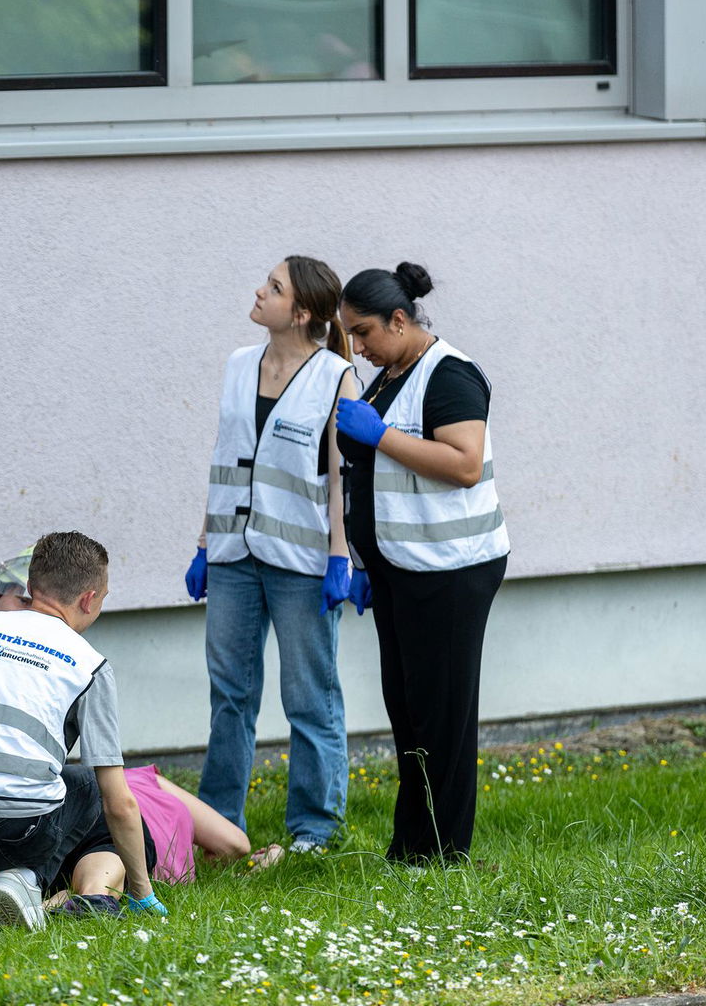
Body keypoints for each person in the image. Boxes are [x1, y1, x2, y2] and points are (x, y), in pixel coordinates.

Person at [0, 531, 167, 932]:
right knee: (86, 784)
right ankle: (24, 877)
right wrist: (142, 893)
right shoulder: (89, 665)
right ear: (89, 599)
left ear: (30, 584)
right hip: (15, 832)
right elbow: (118, 803)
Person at [333, 262, 509, 864]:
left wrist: (379, 435)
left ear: (399, 320)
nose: (357, 346)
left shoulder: (449, 374)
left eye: (363, 332)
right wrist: (362, 560)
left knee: (442, 714)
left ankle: (446, 852)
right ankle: (412, 846)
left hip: (451, 570)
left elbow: (464, 464)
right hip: (398, 568)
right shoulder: (389, 375)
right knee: (407, 709)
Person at [186, 256, 357, 855]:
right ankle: (217, 826)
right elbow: (224, 456)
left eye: (274, 287)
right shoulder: (239, 364)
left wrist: (341, 557)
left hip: (302, 562)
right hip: (232, 554)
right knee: (230, 695)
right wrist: (204, 544)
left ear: (302, 312)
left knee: (309, 698)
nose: (260, 291)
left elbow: (342, 476)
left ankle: (315, 830)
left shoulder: (336, 376)